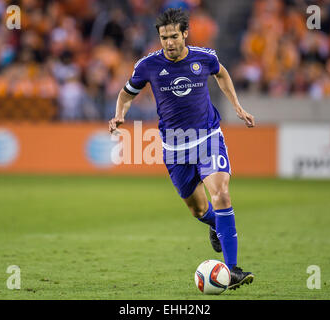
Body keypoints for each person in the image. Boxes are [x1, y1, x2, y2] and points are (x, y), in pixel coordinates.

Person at [108, 8, 255, 290]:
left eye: (174, 36)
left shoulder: (205, 57)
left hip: (208, 137)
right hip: (174, 148)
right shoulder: (147, 65)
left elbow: (222, 74)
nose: (169, 42)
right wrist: (120, 114)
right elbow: (126, 93)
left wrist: (237, 106)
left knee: (221, 193)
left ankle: (232, 268)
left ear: (185, 34)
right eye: (164, 37)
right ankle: (214, 224)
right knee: (198, 209)